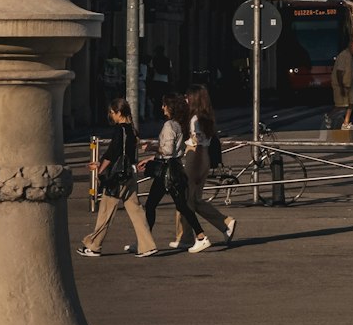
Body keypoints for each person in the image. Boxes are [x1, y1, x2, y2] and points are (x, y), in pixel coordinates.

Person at [76, 98, 157, 258]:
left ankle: (94, 246)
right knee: (136, 210)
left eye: (112, 113)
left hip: (117, 177)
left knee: (106, 211)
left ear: (119, 113)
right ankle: (147, 245)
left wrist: (100, 169)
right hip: (129, 174)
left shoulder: (120, 130)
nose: (111, 116)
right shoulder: (133, 130)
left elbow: (113, 152)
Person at [139, 92, 212, 253]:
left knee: (157, 205)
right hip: (174, 169)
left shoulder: (169, 125)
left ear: (170, 107)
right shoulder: (179, 125)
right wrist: (152, 157)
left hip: (167, 171)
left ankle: (146, 242)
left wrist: (151, 147)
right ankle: (145, 241)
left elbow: (167, 150)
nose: (162, 107)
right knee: (178, 205)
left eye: (164, 105)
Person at [171, 85, 236, 249]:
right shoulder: (205, 117)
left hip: (196, 158)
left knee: (185, 199)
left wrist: (198, 169)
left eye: (188, 97)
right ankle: (223, 224)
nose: (185, 100)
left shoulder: (196, 120)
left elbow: (198, 145)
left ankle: (193, 237)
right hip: (202, 158)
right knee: (193, 200)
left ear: (194, 99)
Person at [330, 38, 353, 129]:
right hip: (341, 85)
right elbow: (339, 72)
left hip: (348, 84)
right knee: (340, 106)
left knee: (351, 104)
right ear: (350, 47)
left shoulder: (349, 56)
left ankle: (346, 123)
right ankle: (329, 116)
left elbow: (348, 71)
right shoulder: (344, 55)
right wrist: (341, 87)